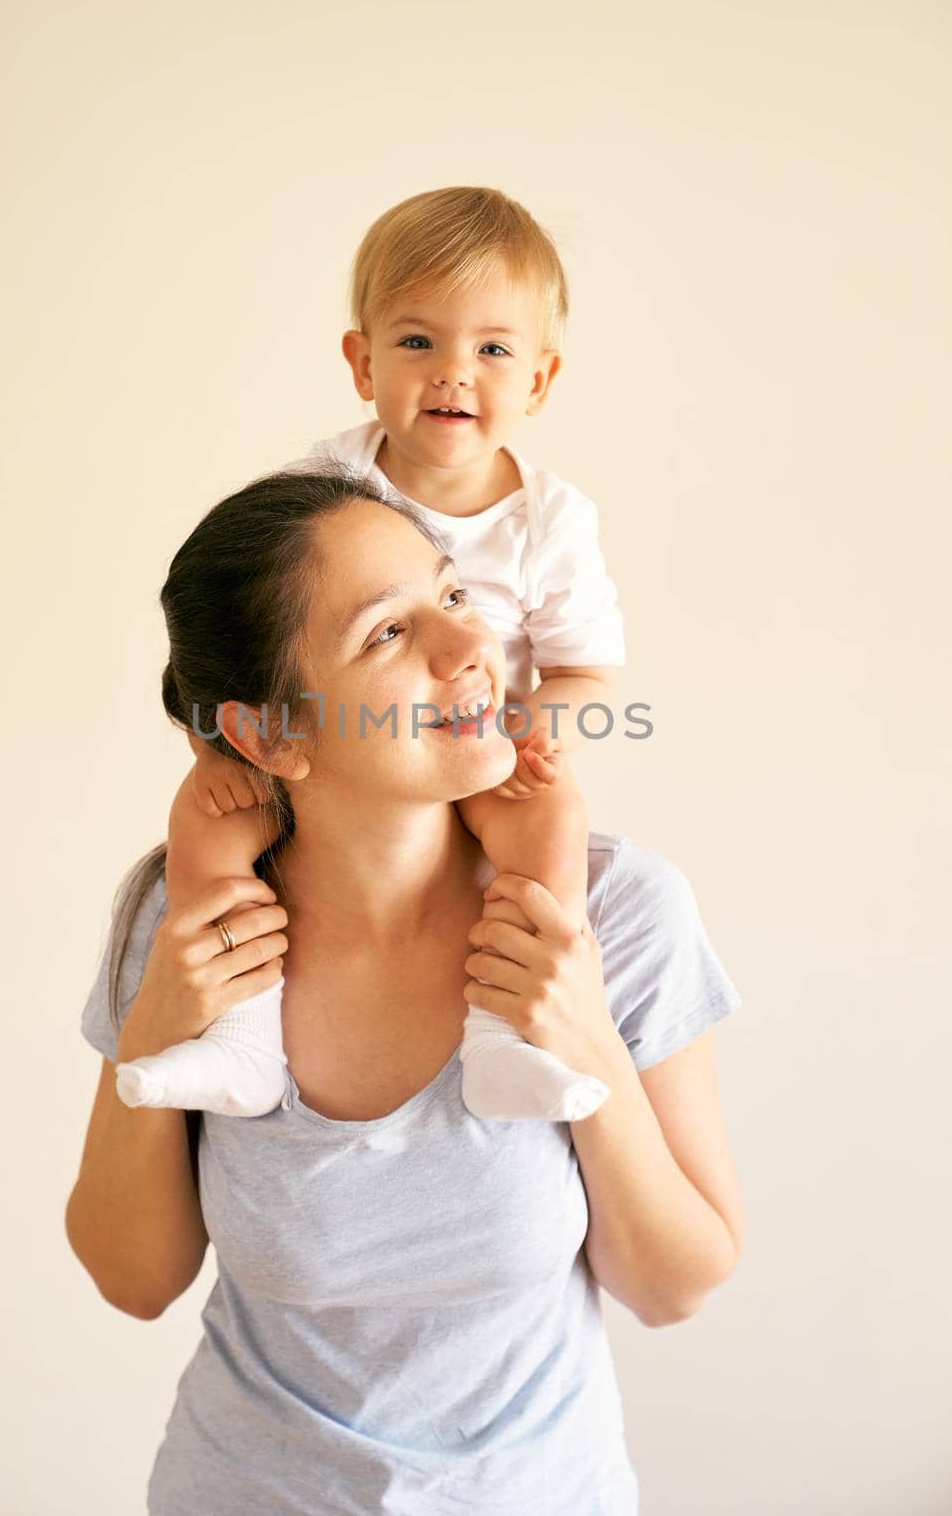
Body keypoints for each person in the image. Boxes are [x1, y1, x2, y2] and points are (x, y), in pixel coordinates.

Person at [65, 466, 745, 1516]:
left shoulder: (619, 910)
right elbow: (133, 1277)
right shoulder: (179, 915)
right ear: (267, 735)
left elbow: (674, 1285)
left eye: (453, 595)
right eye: (387, 633)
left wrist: (583, 1038)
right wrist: (162, 1015)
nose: (469, 647)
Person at [116, 184, 631, 1122]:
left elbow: (586, 667)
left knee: (548, 820)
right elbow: (240, 628)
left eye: (493, 349)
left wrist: (529, 734)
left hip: (480, 743)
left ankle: (505, 1036)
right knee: (209, 817)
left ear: (540, 382)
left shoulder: (549, 521)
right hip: (335, 753)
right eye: (415, 341)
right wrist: (219, 747)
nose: (452, 373)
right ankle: (239, 1035)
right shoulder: (325, 486)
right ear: (360, 362)